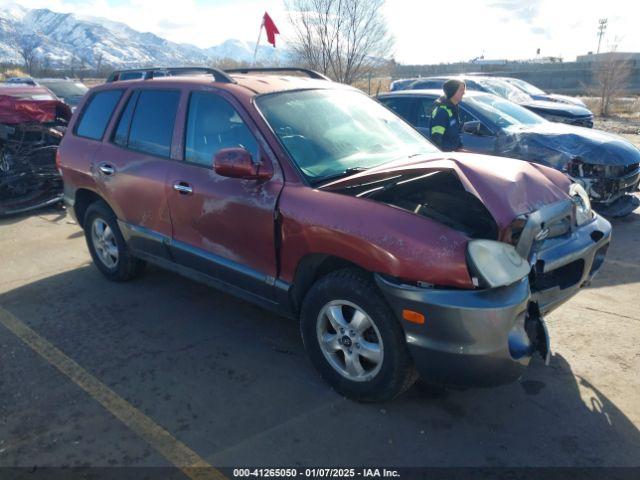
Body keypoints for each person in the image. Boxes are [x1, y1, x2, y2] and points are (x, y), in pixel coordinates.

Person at [429, 79, 466, 151]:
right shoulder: (442, 112)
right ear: (452, 91)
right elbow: (436, 140)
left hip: (454, 153)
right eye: (461, 90)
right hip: (447, 156)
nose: (464, 93)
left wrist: (460, 148)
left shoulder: (453, 108)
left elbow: (455, 135)